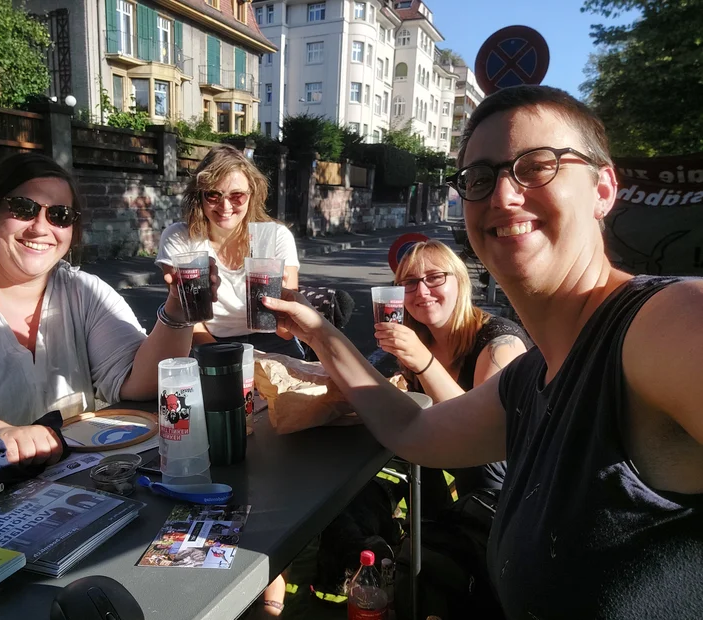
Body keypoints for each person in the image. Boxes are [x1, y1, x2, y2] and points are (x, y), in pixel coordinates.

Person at [264, 85, 703, 617]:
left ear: (603, 189)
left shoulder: (665, 322)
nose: (502, 196)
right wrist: (318, 332)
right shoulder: (531, 378)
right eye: (479, 178)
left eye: (538, 165)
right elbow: (413, 431)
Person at [0, 152, 217, 479]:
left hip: (76, 489)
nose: (41, 227)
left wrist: (178, 307)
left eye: (60, 215)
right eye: (23, 208)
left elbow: (139, 383)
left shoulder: (82, 291)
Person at [377, 239, 530, 511]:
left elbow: (484, 435)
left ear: (460, 282)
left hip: (513, 485)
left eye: (435, 278)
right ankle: (430, 531)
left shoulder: (499, 343)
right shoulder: (420, 338)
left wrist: (424, 362)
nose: (422, 292)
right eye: (409, 282)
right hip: (445, 458)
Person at [156, 144, 303, 359]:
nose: (225, 206)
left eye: (237, 196)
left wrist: (282, 305)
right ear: (200, 196)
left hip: (274, 340)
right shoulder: (179, 238)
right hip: (210, 341)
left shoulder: (276, 237)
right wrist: (228, 358)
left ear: (252, 195)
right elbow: (191, 320)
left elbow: (286, 332)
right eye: (213, 195)